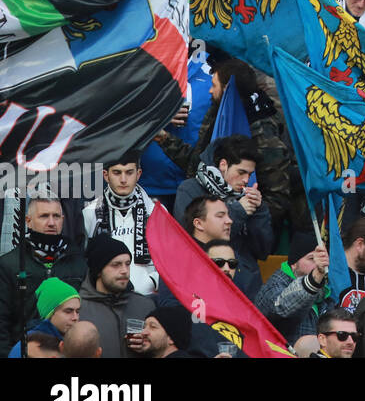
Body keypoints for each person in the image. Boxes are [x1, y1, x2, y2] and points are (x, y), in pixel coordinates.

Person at [174, 136, 273, 299]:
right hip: (203, 286)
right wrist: (238, 211)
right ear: (223, 165)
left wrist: (260, 210)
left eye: (250, 174)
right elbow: (193, 240)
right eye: (241, 172)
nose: (246, 180)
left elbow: (262, 250)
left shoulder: (248, 197)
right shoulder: (190, 190)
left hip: (246, 288)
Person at [0, 197, 87, 352]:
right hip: (25, 350)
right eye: (44, 216)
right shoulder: (9, 264)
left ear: (63, 219)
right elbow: (2, 321)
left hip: (68, 351)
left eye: (56, 216)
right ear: (28, 220)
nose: (52, 223)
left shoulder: (79, 261)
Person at [81, 153, 157, 296]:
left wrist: (152, 282)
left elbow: (169, 259)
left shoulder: (155, 212)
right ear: (105, 175)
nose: (123, 179)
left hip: (147, 296)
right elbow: (85, 261)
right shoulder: (89, 213)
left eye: (129, 172)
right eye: (117, 173)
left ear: (138, 174)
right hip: (103, 297)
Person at [76, 235, 156, 359]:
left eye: (127, 264)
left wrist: (150, 345)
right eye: (116, 265)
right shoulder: (77, 309)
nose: (124, 270)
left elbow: (163, 348)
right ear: (98, 270)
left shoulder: (145, 306)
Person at [6, 276, 78, 358]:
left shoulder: (74, 342)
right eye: (68, 311)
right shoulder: (26, 348)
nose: (75, 317)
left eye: (78, 311)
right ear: (49, 313)